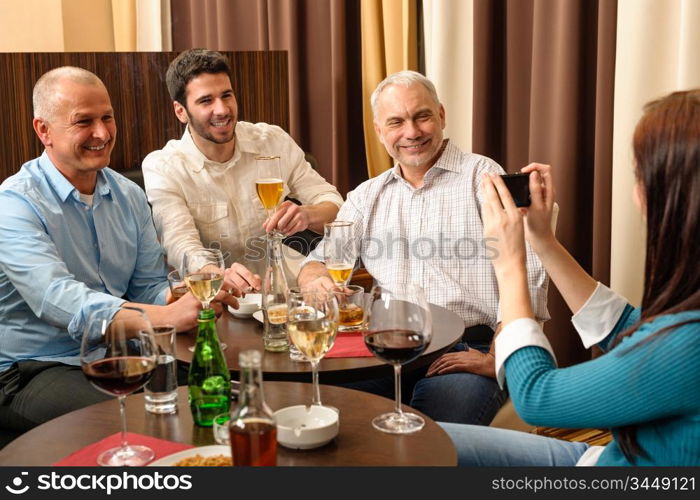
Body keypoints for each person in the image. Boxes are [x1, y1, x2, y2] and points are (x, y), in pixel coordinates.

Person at [441, 89, 700, 466]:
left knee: (420, 450)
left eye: (640, 176)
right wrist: (542, 241)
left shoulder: (688, 344)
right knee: (424, 437)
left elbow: (536, 396)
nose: (634, 192)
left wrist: (509, 263)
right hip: (611, 456)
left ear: (675, 196)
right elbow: (633, 328)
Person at [298, 70, 549, 425]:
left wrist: (497, 356)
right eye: (396, 122)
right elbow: (319, 260)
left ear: (442, 115)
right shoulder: (368, 195)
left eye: (422, 116)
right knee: (323, 413)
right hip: (389, 348)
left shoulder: (484, 177)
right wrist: (312, 278)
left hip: (466, 348)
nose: (411, 133)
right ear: (379, 131)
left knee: (432, 434)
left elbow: (531, 268)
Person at [0, 67, 237, 433]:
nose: (102, 133)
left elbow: (147, 288)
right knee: (152, 422)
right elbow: (58, 298)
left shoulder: (128, 195)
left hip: (119, 353)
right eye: (84, 122)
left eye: (107, 117)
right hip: (34, 368)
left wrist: (188, 294)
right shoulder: (14, 204)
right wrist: (167, 317)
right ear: (43, 130)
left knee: (226, 391)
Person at [142, 49, 344, 290]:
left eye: (226, 95)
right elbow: (180, 245)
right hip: (220, 295)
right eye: (206, 100)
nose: (222, 109)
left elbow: (334, 204)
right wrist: (214, 275)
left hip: (287, 289)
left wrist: (308, 214)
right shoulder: (163, 166)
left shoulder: (272, 140)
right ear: (181, 111)